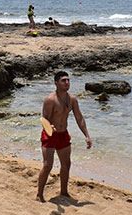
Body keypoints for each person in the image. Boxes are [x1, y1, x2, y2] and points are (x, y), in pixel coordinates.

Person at [37, 70, 92, 202]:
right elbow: (44, 119)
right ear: (56, 83)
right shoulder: (50, 99)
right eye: (63, 80)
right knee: (47, 165)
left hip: (63, 135)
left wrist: (87, 135)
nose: (67, 83)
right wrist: (50, 126)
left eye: (68, 80)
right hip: (50, 135)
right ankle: (40, 194)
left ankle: (64, 192)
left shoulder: (72, 99)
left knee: (66, 164)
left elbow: (79, 118)